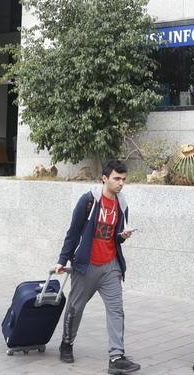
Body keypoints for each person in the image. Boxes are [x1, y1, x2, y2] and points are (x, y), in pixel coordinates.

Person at [53, 159, 141, 375]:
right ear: (105, 178)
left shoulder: (122, 204)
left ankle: (117, 357)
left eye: (123, 180)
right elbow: (73, 232)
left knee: (116, 310)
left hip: (111, 265)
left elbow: (117, 237)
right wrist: (62, 260)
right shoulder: (89, 201)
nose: (121, 183)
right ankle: (66, 343)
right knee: (75, 307)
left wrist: (124, 236)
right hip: (87, 265)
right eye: (116, 179)